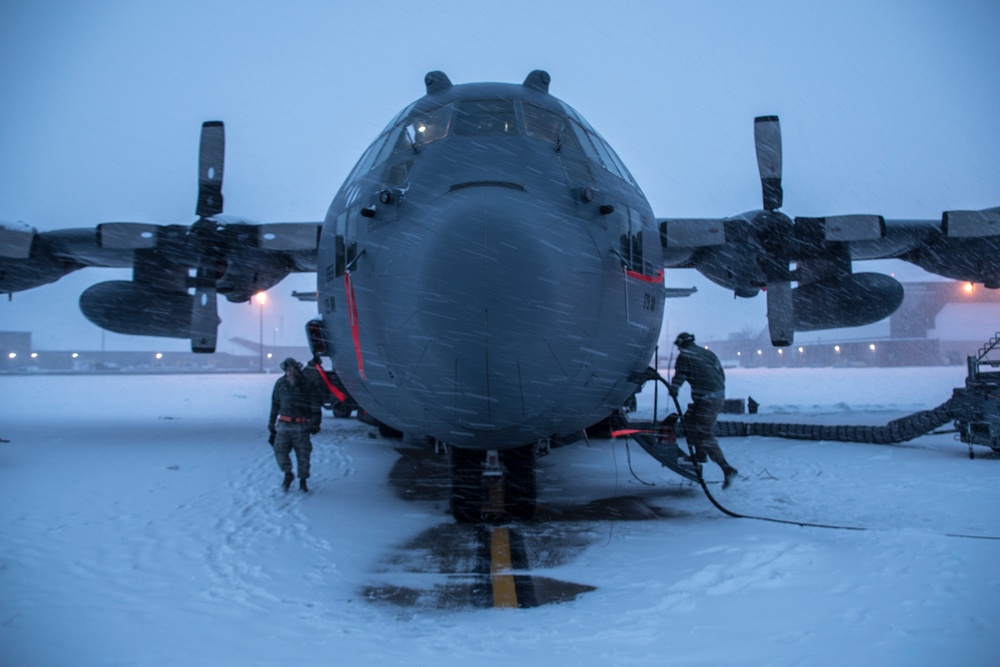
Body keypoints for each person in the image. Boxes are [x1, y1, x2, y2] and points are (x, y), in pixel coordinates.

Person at [667, 332, 739, 488]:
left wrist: (674, 389)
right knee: (689, 420)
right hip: (714, 396)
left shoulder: (685, 356)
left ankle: (726, 468)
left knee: (704, 431)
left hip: (708, 399)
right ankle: (700, 453)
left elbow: (680, 375)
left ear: (681, 344)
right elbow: (720, 373)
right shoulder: (707, 353)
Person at [268, 357, 321, 492]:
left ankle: (303, 480)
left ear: (297, 369)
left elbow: (315, 405)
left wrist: (315, 423)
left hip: (301, 426)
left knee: (303, 455)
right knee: (280, 451)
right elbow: (275, 404)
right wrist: (271, 423)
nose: (291, 372)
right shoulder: (280, 384)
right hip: (283, 425)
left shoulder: (307, 384)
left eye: (293, 369)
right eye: (288, 370)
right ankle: (288, 474)